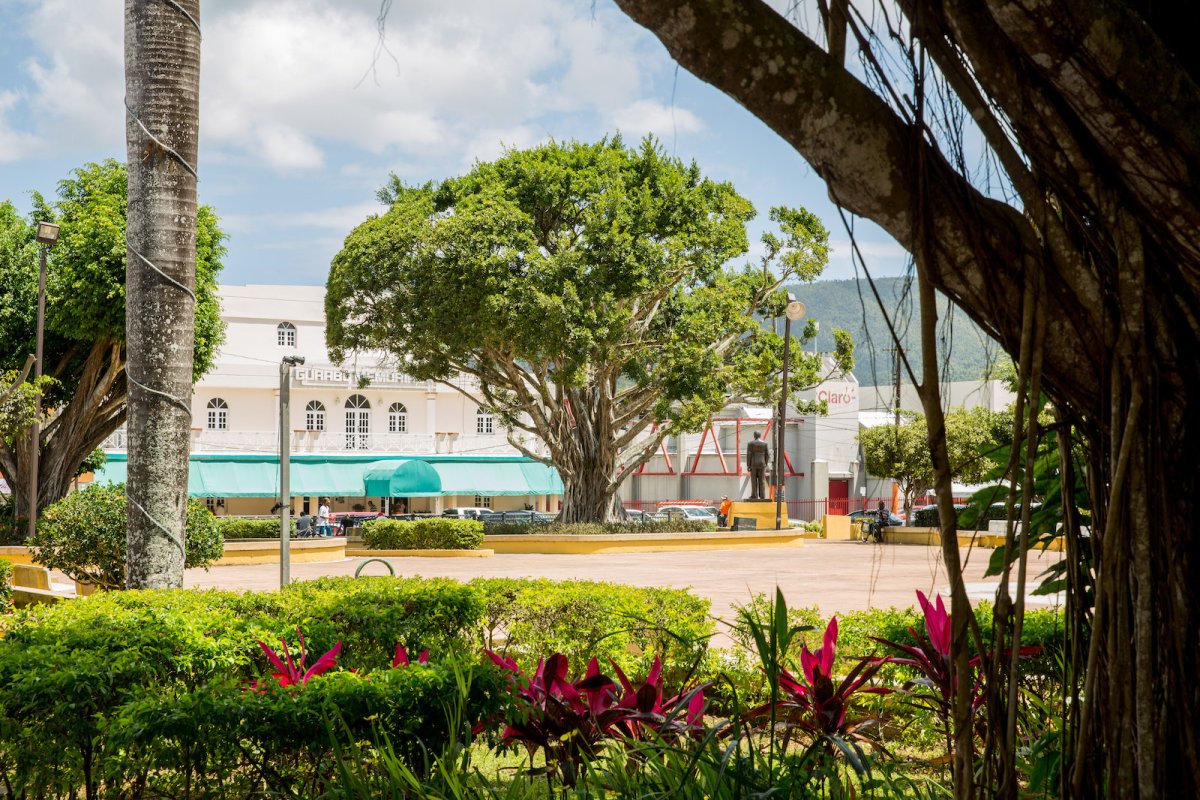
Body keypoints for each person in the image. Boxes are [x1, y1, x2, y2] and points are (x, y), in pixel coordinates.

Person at [746, 432, 770, 500]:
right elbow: (767, 454)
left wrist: (748, 465)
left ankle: (754, 495)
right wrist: (765, 463)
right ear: (760, 435)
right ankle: (762, 496)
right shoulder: (765, 444)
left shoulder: (750, 444)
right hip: (762, 463)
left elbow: (749, 455)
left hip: (753, 463)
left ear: (754, 436)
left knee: (753, 480)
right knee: (762, 480)